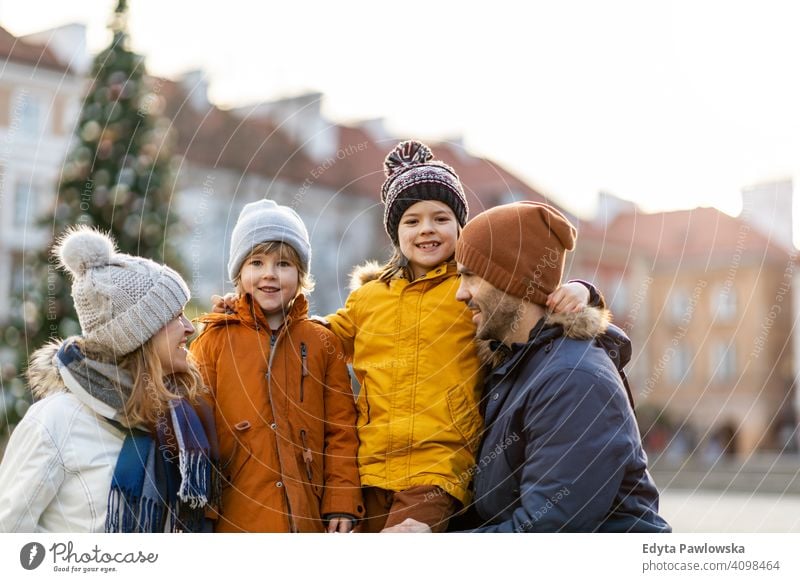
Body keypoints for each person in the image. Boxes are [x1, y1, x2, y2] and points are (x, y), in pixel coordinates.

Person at [212, 142, 596, 532]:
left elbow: (530, 301)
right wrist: (250, 311)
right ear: (396, 234)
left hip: (438, 468)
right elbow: (316, 336)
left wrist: (582, 291)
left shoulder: (471, 292)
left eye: (440, 218)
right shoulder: (369, 298)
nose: (426, 229)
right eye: (412, 221)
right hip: (372, 466)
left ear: (461, 227)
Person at [386, 201, 671, 532]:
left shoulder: (573, 381)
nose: (459, 294)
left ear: (513, 281)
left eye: (470, 277)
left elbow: (547, 530)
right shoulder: (512, 368)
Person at [0, 227, 218, 533]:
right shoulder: (56, 420)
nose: (189, 328)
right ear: (139, 335)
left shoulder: (177, 422)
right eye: (175, 316)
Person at [190, 199, 363, 532]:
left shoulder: (322, 342)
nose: (269, 274)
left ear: (300, 275)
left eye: (283, 264)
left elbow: (341, 430)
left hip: (307, 514)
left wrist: (342, 501)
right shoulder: (212, 341)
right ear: (240, 273)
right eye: (256, 262)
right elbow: (198, 430)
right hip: (236, 513)